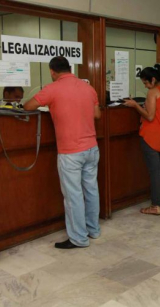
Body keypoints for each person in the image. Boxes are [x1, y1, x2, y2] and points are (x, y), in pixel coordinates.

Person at [24, 56, 102, 249]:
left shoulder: (52, 89)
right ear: (70, 68)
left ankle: (78, 238)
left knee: (73, 195)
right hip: (92, 148)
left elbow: (28, 106)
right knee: (91, 189)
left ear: (52, 71)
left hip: (70, 152)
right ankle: (93, 230)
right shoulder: (87, 88)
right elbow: (97, 114)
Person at [123, 64, 160, 215]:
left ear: (152, 80)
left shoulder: (153, 92)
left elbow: (150, 116)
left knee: (154, 171)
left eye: (145, 83)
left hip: (151, 136)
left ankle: (155, 205)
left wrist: (134, 106)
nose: (145, 87)